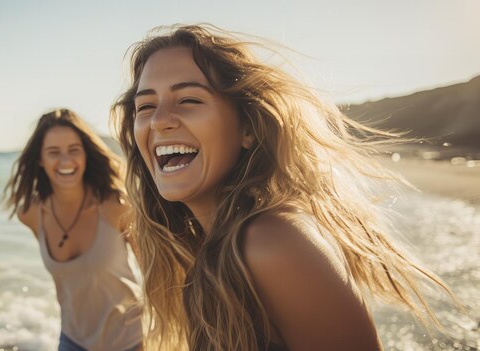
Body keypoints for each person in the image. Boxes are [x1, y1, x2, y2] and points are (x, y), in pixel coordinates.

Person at [111, 25, 459, 350]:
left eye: (189, 100)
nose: (159, 120)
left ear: (246, 128)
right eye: (146, 106)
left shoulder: (269, 241)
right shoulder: (215, 247)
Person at [3, 108, 143, 351]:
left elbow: (156, 274)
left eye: (74, 150)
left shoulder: (115, 206)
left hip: (130, 341)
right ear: (40, 159)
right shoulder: (32, 214)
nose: (66, 161)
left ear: (85, 154)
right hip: (72, 341)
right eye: (53, 152)